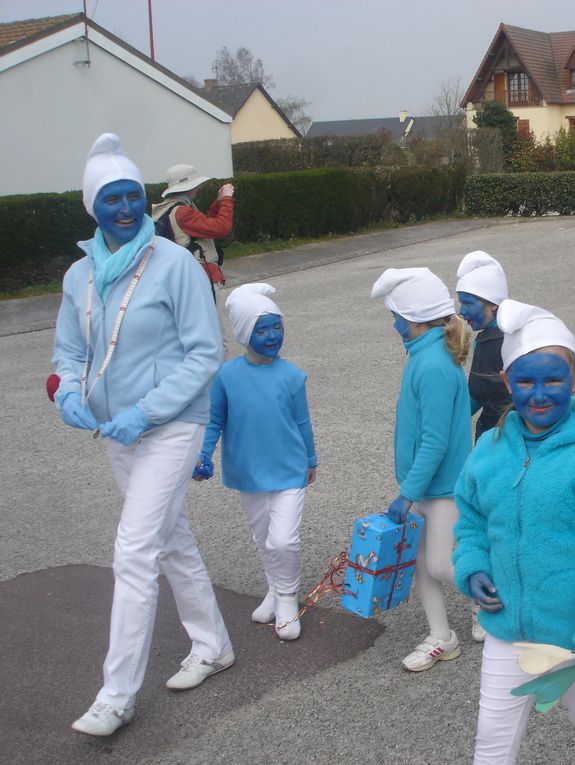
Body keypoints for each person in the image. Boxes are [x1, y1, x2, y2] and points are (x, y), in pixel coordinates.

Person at [53, 134, 232, 737]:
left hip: (174, 424)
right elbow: (71, 350)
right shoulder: (79, 275)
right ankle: (212, 645)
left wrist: (148, 411)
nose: (126, 208)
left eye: (133, 195)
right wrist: (71, 394)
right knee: (169, 538)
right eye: (112, 199)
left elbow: (205, 352)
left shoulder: (175, 263)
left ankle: (117, 694)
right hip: (115, 431)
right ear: (93, 207)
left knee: (134, 550)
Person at [453, 299, 575, 765]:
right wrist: (474, 564)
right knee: (491, 739)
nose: (538, 394)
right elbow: (472, 518)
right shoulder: (490, 448)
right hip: (506, 624)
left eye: (553, 380)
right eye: (525, 381)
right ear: (507, 382)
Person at [192, 282, 317, 641]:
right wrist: (203, 455)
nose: (272, 336)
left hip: (290, 469)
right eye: (262, 330)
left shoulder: (292, 376)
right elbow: (215, 421)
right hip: (248, 471)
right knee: (263, 538)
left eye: (277, 327)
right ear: (245, 333)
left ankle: (288, 598)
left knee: (283, 541)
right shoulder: (226, 376)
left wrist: (311, 457)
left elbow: (302, 421)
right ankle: (275, 590)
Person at [370, 267, 473, 671]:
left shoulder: (431, 365)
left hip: (440, 488)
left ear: (415, 318)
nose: (394, 325)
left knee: (439, 565)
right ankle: (441, 637)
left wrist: (407, 493)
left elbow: (435, 441)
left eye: (396, 317)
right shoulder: (427, 356)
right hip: (427, 487)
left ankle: (501, 599)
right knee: (421, 566)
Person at [151, 164, 234, 298]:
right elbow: (221, 228)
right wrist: (227, 199)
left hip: (188, 276)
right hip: (198, 277)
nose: (198, 188)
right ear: (190, 187)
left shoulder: (174, 207)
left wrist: (218, 202)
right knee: (208, 318)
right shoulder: (182, 212)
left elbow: (206, 226)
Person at [456, 251, 512, 441]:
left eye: (468, 304)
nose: (461, 311)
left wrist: (447, 420)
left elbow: (476, 395)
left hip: (495, 435)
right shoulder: (513, 330)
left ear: (493, 304)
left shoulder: (490, 343)